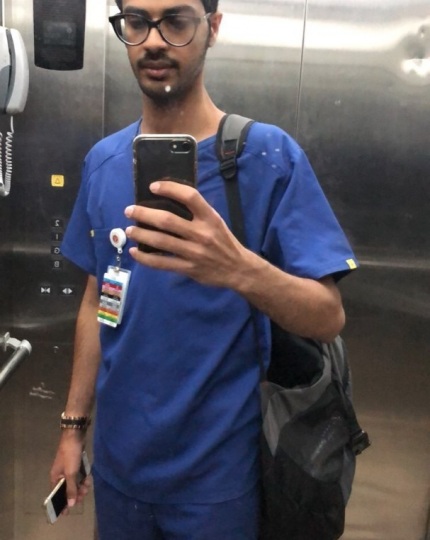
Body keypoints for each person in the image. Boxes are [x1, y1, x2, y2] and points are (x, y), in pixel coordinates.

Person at [50, 0, 358, 538]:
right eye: (137, 22)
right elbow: (98, 299)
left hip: (218, 482)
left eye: (176, 21)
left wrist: (237, 268)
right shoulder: (103, 163)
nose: (154, 41)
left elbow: (327, 316)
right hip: (120, 471)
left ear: (212, 28)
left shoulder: (268, 158)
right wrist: (73, 429)